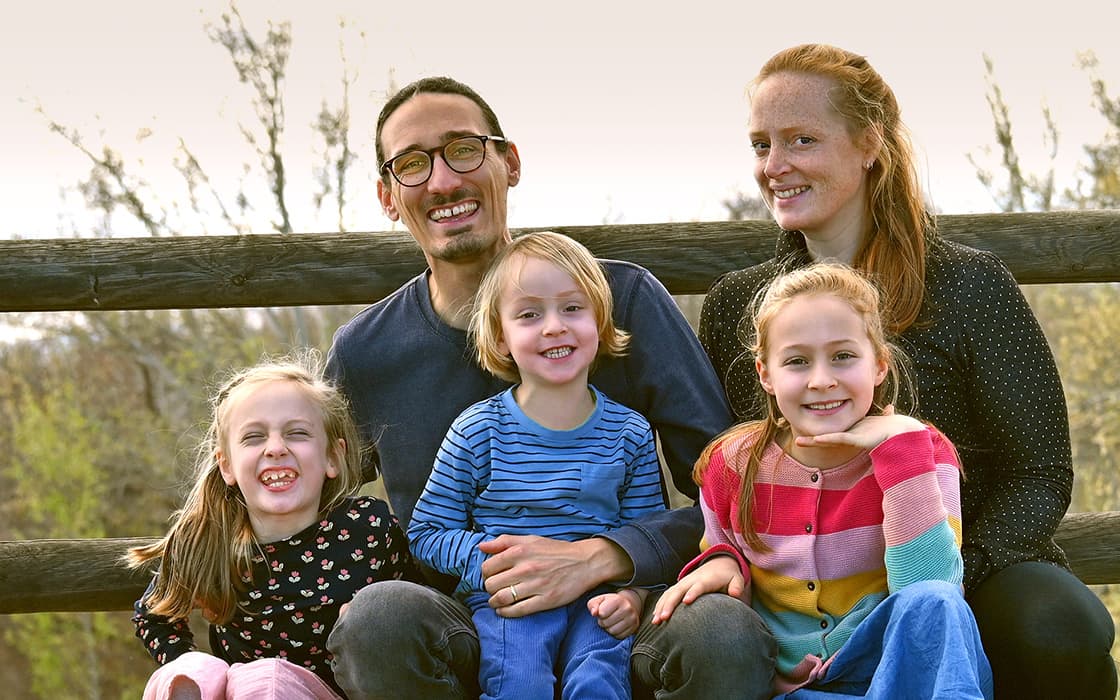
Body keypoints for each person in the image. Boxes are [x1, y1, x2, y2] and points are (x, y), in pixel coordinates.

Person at [324, 76, 777, 699]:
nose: (443, 181)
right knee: (377, 618)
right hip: (470, 620)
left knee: (722, 631)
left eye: (464, 149)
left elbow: (730, 487)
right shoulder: (367, 351)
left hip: (616, 616)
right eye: (411, 164)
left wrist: (606, 559)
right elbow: (305, 497)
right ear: (387, 195)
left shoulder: (623, 301)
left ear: (509, 163)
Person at [699, 43, 1117, 698]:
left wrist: (942, 576)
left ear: (869, 143)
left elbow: (1038, 473)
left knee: (1059, 627)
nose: (774, 166)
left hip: (966, 566)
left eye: (801, 140)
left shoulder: (969, 286)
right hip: (803, 595)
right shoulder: (739, 306)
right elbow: (728, 470)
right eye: (760, 145)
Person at [654, 263, 993, 698]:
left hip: (899, 673)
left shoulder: (920, 450)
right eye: (797, 361)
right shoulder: (733, 464)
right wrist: (724, 562)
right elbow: (723, 558)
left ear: (880, 365)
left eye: (843, 357)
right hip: (792, 685)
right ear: (766, 374)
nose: (822, 380)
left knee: (935, 601)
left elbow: (931, 589)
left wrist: (901, 448)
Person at [408, 231, 666, 699]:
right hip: (513, 599)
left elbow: (646, 536)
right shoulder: (478, 430)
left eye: (572, 308)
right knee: (520, 684)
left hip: (597, 597)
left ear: (599, 322)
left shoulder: (629, 433)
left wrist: (633, 596)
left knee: (598, 683)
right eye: (529, 314)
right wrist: (493, 564)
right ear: (500, 338)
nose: (553, 327)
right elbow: (426, 532)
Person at [126, 354, 419, 699]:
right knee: (199, 671)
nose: (276, 448)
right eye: (254, 437)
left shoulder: (368, 529)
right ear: (226, 466)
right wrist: (187, 663)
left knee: (271, 676)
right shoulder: (209, 538)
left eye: (297, 433)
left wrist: (370, 623)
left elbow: (417, 604)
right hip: (245, 690)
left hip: (343, 693)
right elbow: (154, 615)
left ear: (332, 457)